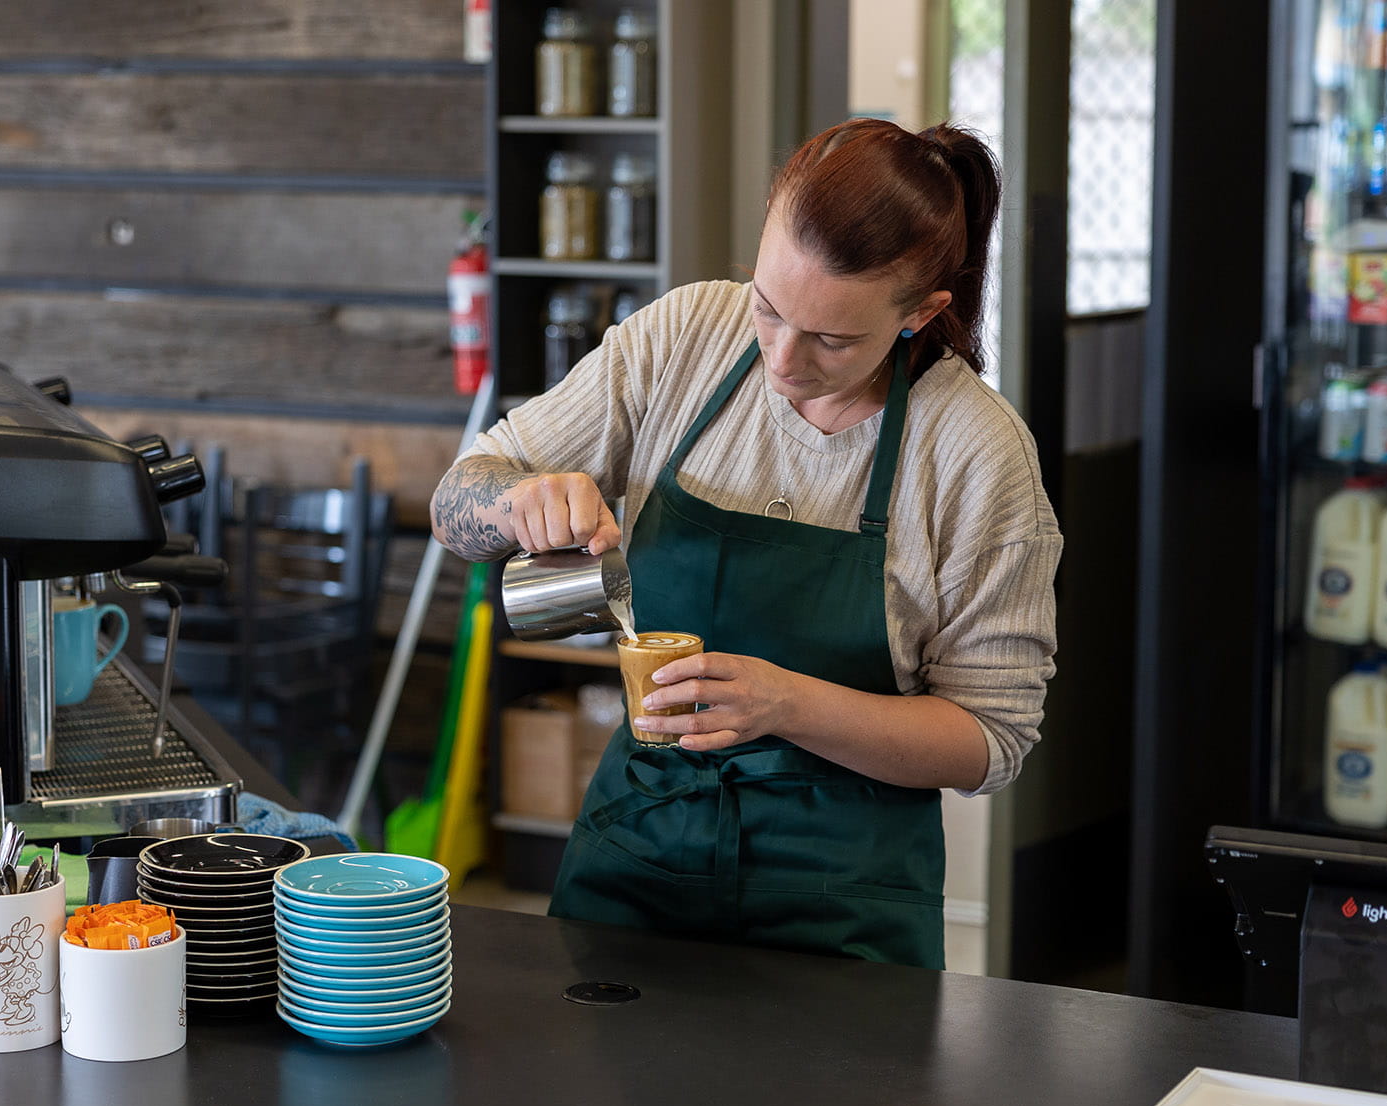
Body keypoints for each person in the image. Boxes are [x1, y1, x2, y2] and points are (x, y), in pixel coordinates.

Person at [429, 118, 1061, 968]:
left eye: (833, 339)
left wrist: (789, 704)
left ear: (923, 313)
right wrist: (514, 501)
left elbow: (992, 736)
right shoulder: (684, 338)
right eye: (767, 306)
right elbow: (455, 499)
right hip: (636, 853)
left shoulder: (976, 454)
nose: (783, 359)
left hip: (843, 900)